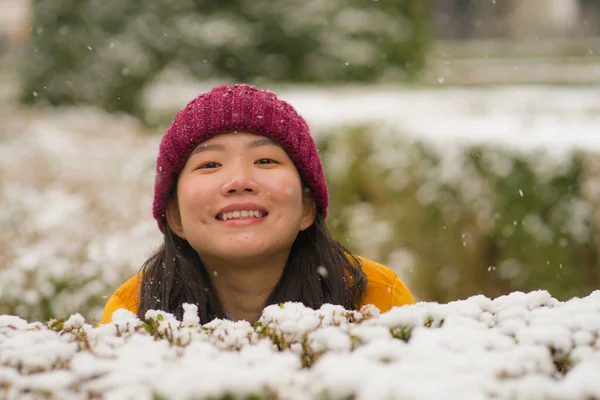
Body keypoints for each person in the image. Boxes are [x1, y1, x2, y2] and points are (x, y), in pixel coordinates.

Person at [100, 84, 415, 325]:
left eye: (265, 160)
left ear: (307, 207)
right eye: (209, 164)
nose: (239, 180)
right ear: (175, 215)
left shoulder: (377, 299)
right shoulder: (133, 312)